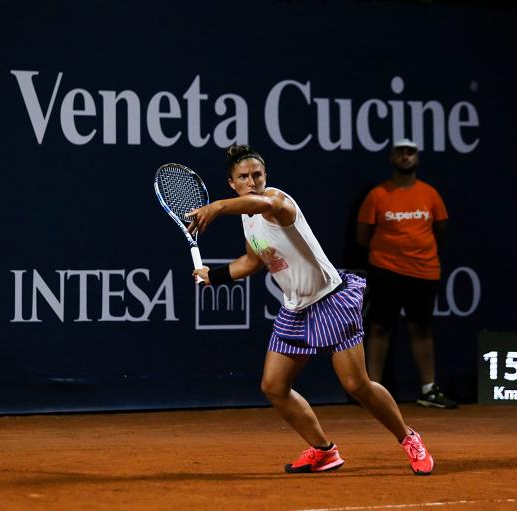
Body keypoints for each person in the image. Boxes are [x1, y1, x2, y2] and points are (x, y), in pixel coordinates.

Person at [184, 144, 434, 475]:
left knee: (357, 385)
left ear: (265, 177)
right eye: (243, 177)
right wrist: (212, 276)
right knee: (274, 386)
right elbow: (252, 261)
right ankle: (324, 450)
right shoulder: (248, 219)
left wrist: (216, 206)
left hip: (330, 299)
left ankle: (409, 438)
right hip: (296, 308)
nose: (252, 181)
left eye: (257, 174)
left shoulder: (278, 204)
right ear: (232, 183)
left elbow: (263, 202)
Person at [355, 139, 458, 409]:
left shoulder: (430, 194)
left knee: (422, 328)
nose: (405, 156)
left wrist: (417, 251)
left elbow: (441, 231)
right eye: (400, 152)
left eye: (409, 152)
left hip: (424, 271)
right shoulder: (377, 195)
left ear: (417, 158)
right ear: (392, 158)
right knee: (379, 327)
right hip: (386, 269)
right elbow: (362, 236)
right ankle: (372, 391)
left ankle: (428, 389)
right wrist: (390, 253)